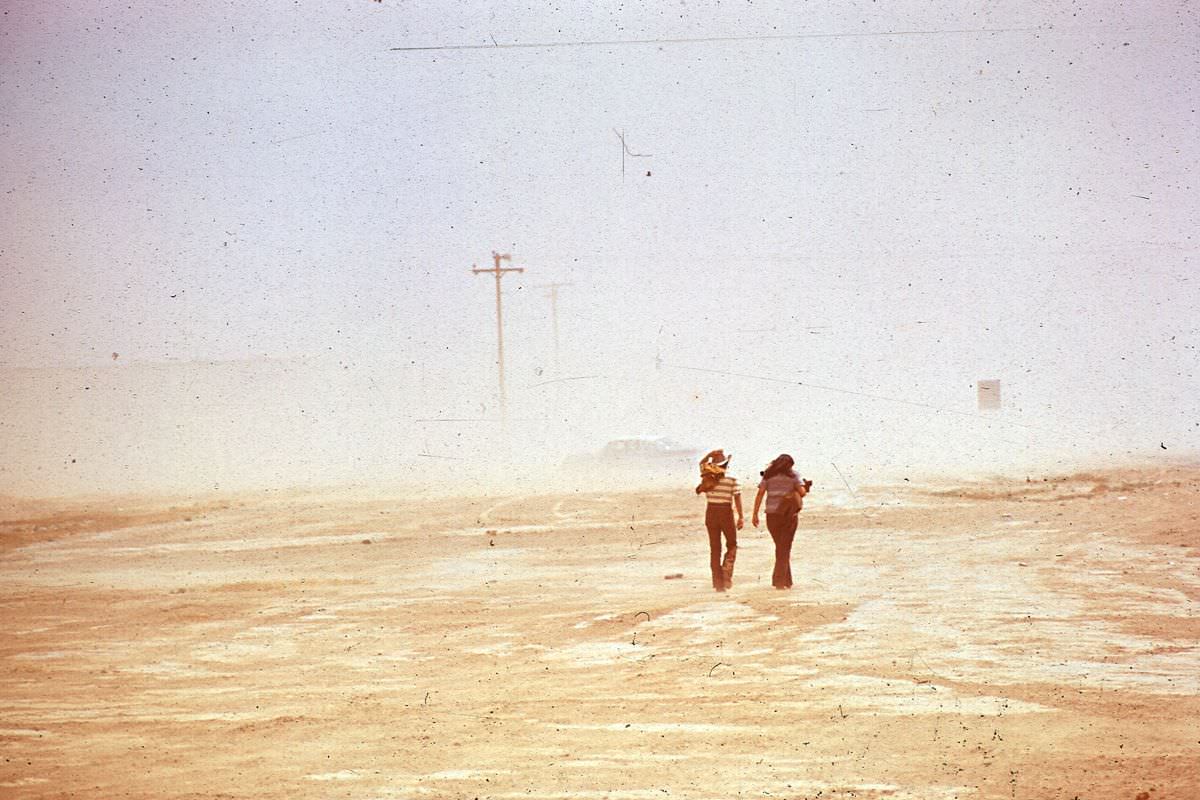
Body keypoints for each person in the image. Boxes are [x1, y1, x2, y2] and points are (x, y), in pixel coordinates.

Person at [752, 454, 808, 589]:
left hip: (771, 516)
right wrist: (804, 487)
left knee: (781, 547)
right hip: (789, 515)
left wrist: (755, 514)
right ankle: (780, 582)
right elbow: (802, 492)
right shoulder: (794, 476)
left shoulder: (768, 475)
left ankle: (785, 580)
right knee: (784, 548)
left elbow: (760, 493)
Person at [697, 449, 744, 592]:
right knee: (732, 544)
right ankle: (726, 574)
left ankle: (718, 584)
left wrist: (710, 454)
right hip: (725, 512)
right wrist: (741, 517)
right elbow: (737, 498)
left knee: (715, 548)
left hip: (710, 512)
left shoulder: (707, 476)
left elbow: (701, 462)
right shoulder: (732, 478)